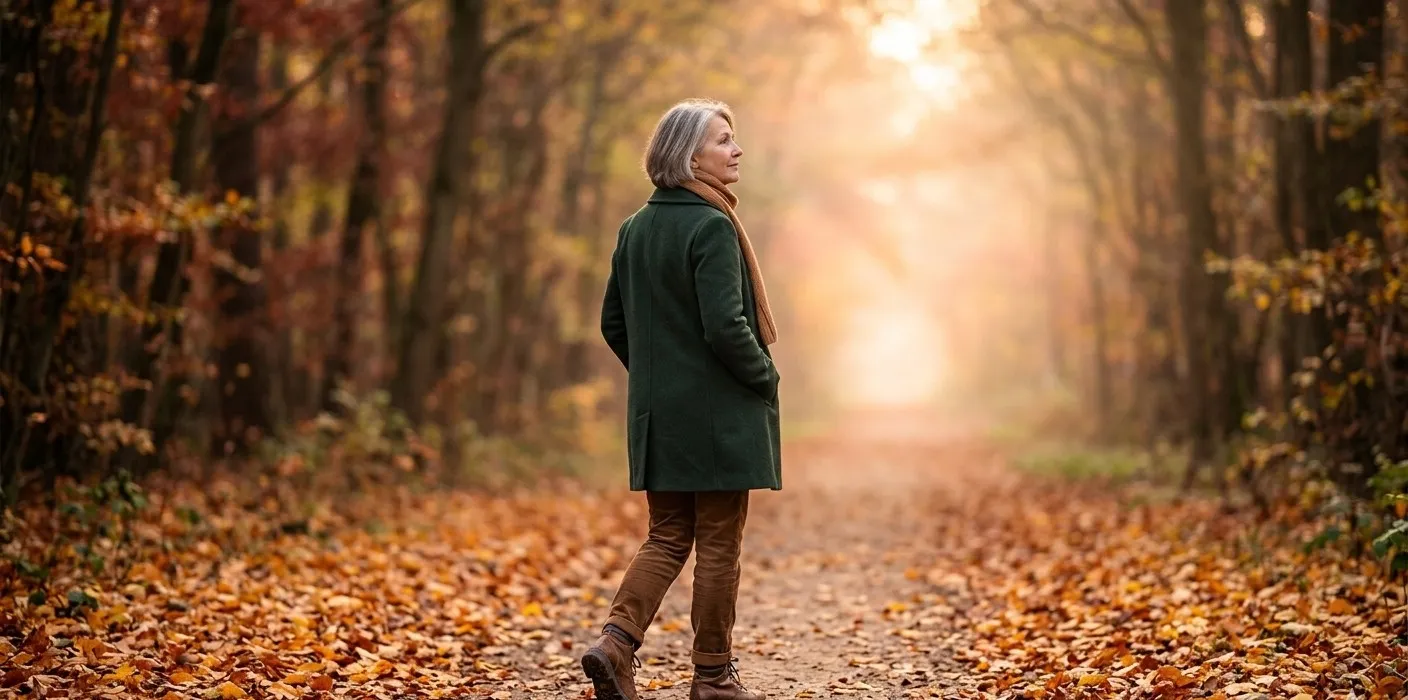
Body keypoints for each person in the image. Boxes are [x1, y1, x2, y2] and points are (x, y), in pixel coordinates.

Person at [579, 98, 781, 700]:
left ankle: (615, 646)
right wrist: (763, 376)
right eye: (723, 139)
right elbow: (726, 326)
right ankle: (714, 676)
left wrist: (659, 378)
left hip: (657, 416)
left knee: (668, 534)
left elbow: (614, 324)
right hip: (717, 417)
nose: (736, 149)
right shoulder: (712, 225)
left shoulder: (634, 227)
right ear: (688, 154)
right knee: (718, 541)